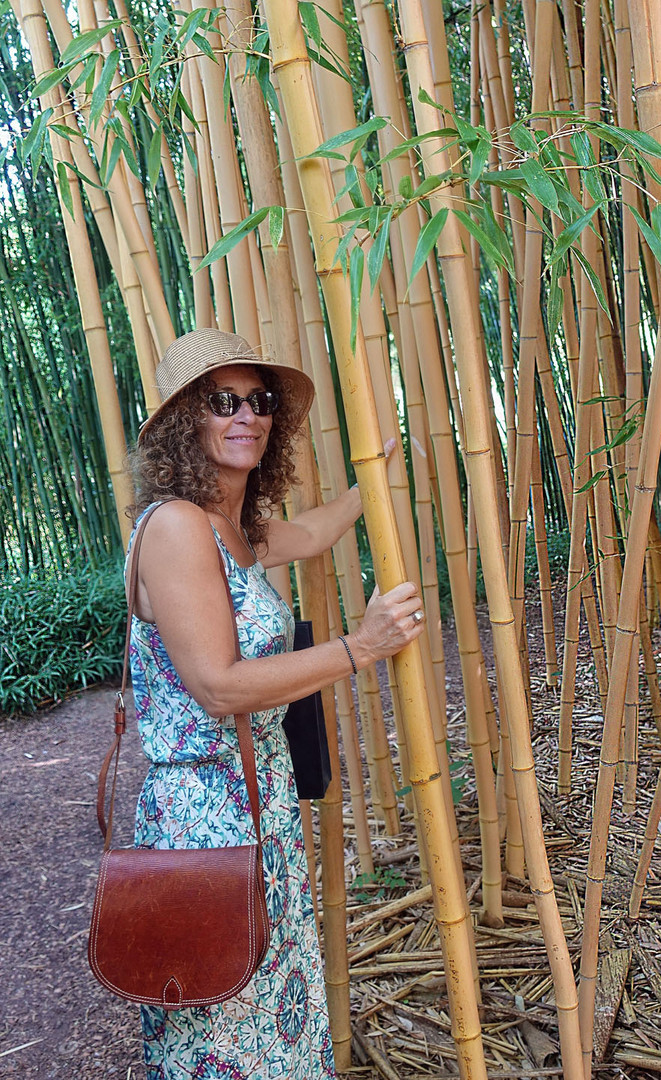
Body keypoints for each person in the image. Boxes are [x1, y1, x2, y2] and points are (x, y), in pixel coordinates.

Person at [125, 327, 425, 1079]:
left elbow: (317, 532)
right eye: (221, 400)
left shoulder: (232, 531)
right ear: (182, 422)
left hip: (259, 805)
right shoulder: (175, 527)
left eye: (258, 401)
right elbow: (216, 684)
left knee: (268, 1013)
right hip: (204, 816)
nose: (246, 415)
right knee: (223, 1022)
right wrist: (359, 647)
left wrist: (376, 474)